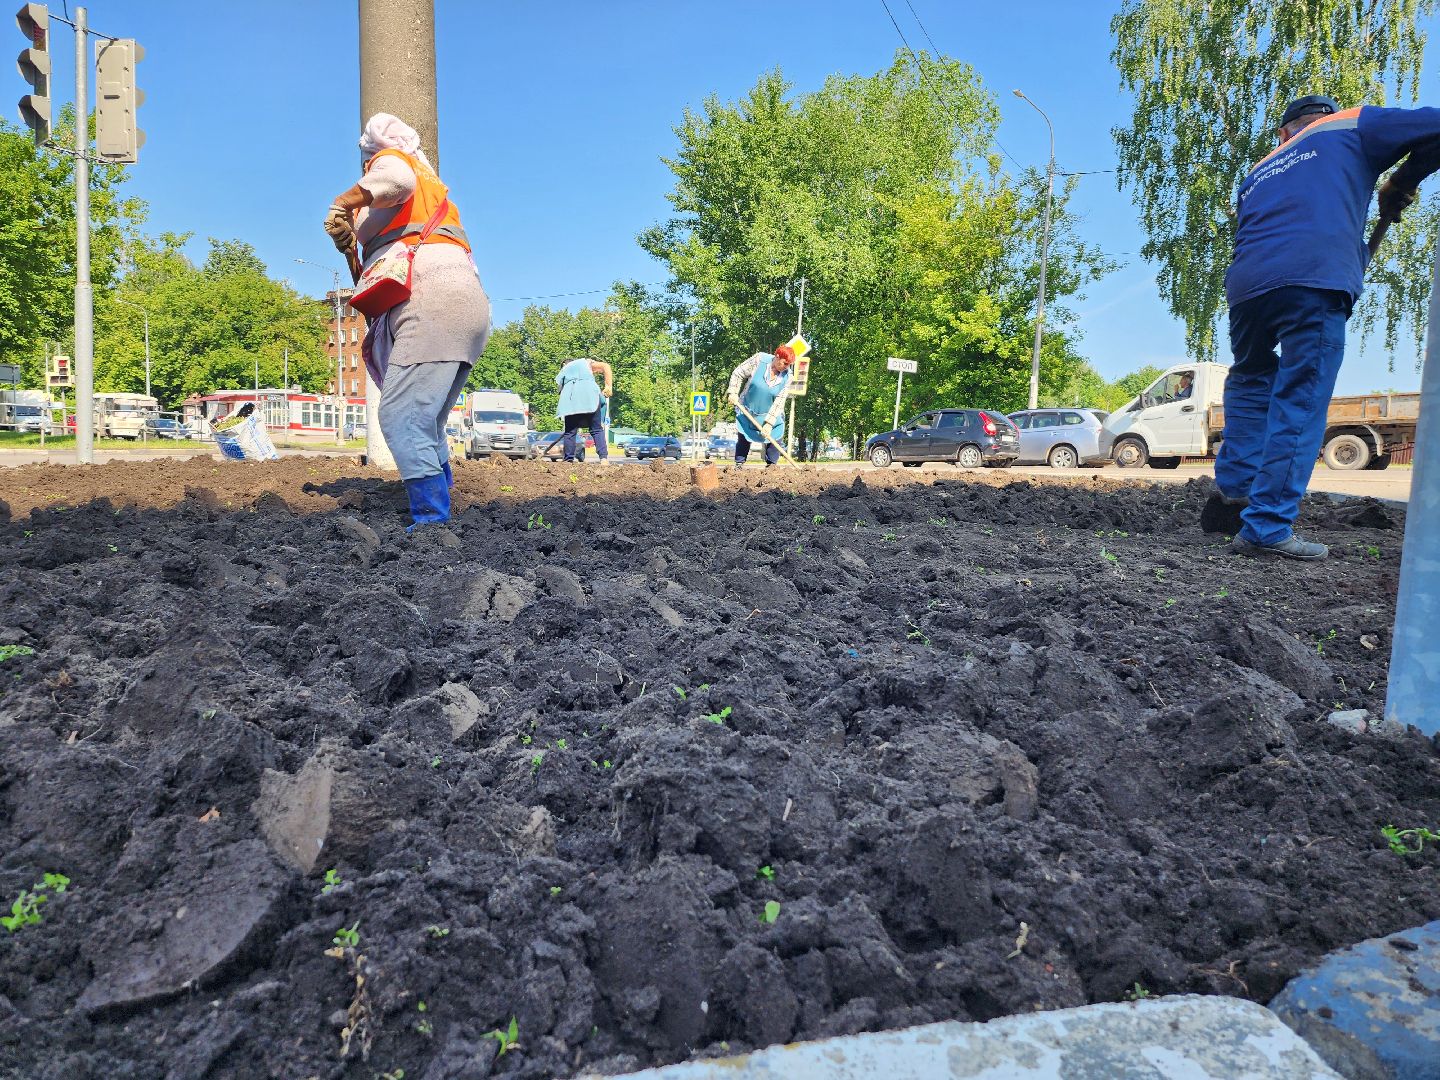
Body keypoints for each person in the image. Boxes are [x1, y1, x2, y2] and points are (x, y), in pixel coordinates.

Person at [1206, 94, 1440, 558]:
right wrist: (1406, 178)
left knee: (1251, 380)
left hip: (1247, 285)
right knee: (1302, 394)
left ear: (1284, 132)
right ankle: (1266, 528)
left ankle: (1232, 498)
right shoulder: (1352, 125)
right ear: (1325, 118)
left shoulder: (1257, 171)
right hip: (1312, 277)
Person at [323, 113, 490, 530]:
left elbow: (395, 179)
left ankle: (432, 525)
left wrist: (342, 203)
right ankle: (441, 502)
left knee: (401, 414)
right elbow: (375, 255)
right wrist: (348, 237)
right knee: (426, 419)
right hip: (458, 302)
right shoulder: (424, 193)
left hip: (433, 299)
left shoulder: (394, 160)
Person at [727, 345, 795, 466]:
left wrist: (769, 423)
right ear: (777, 357)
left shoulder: (788, 376)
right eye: (785, 363)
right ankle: (739, 465)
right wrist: (733, 391)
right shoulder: (759, 360)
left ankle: (771, 468)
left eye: (789, 365)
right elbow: (738, 373)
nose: (786, 367)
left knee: (774, 439)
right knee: (743, 436)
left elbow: (780, 401)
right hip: (748, 409)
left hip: (771, 413)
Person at [556, 357, 609, 464]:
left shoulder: (564, 372)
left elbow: (560, 391)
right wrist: (609, 386)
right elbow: (605, 366)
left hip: (572, 400)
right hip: (591, 397)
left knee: (570, 432)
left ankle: (568, 460)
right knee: (596, 429)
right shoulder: (586, 363)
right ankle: (603, 458)